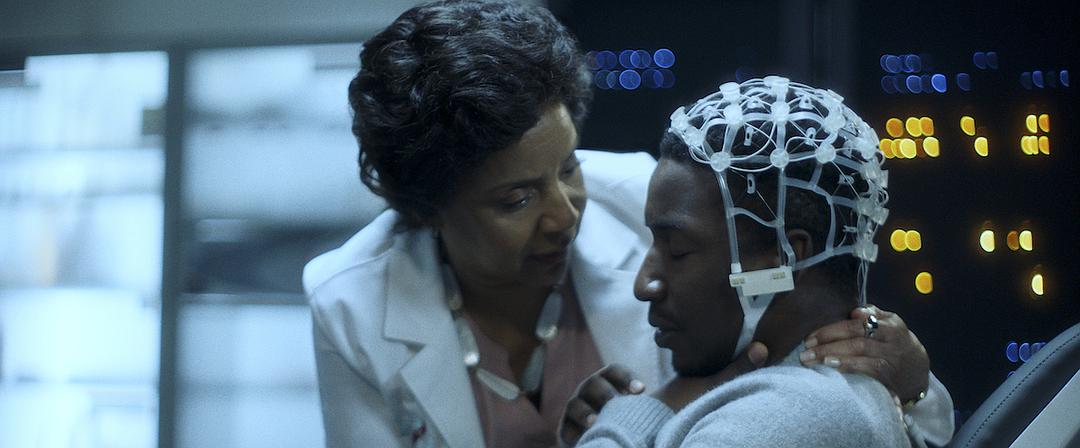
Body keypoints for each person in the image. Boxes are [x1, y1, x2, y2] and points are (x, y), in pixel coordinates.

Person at [302, 1, 952, 447]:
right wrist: (648, 415)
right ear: (429, 212)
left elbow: (819, 374)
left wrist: (914, 384)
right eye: (516, 200)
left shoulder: (665, 206)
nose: (565, 214)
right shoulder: (352, 303)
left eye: (568, 166)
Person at [562, 77, 947, 447]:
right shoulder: (826, 401)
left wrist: (626, 421)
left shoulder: (792, 419)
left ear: (785, 258)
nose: (643, 285)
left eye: (677, 250)